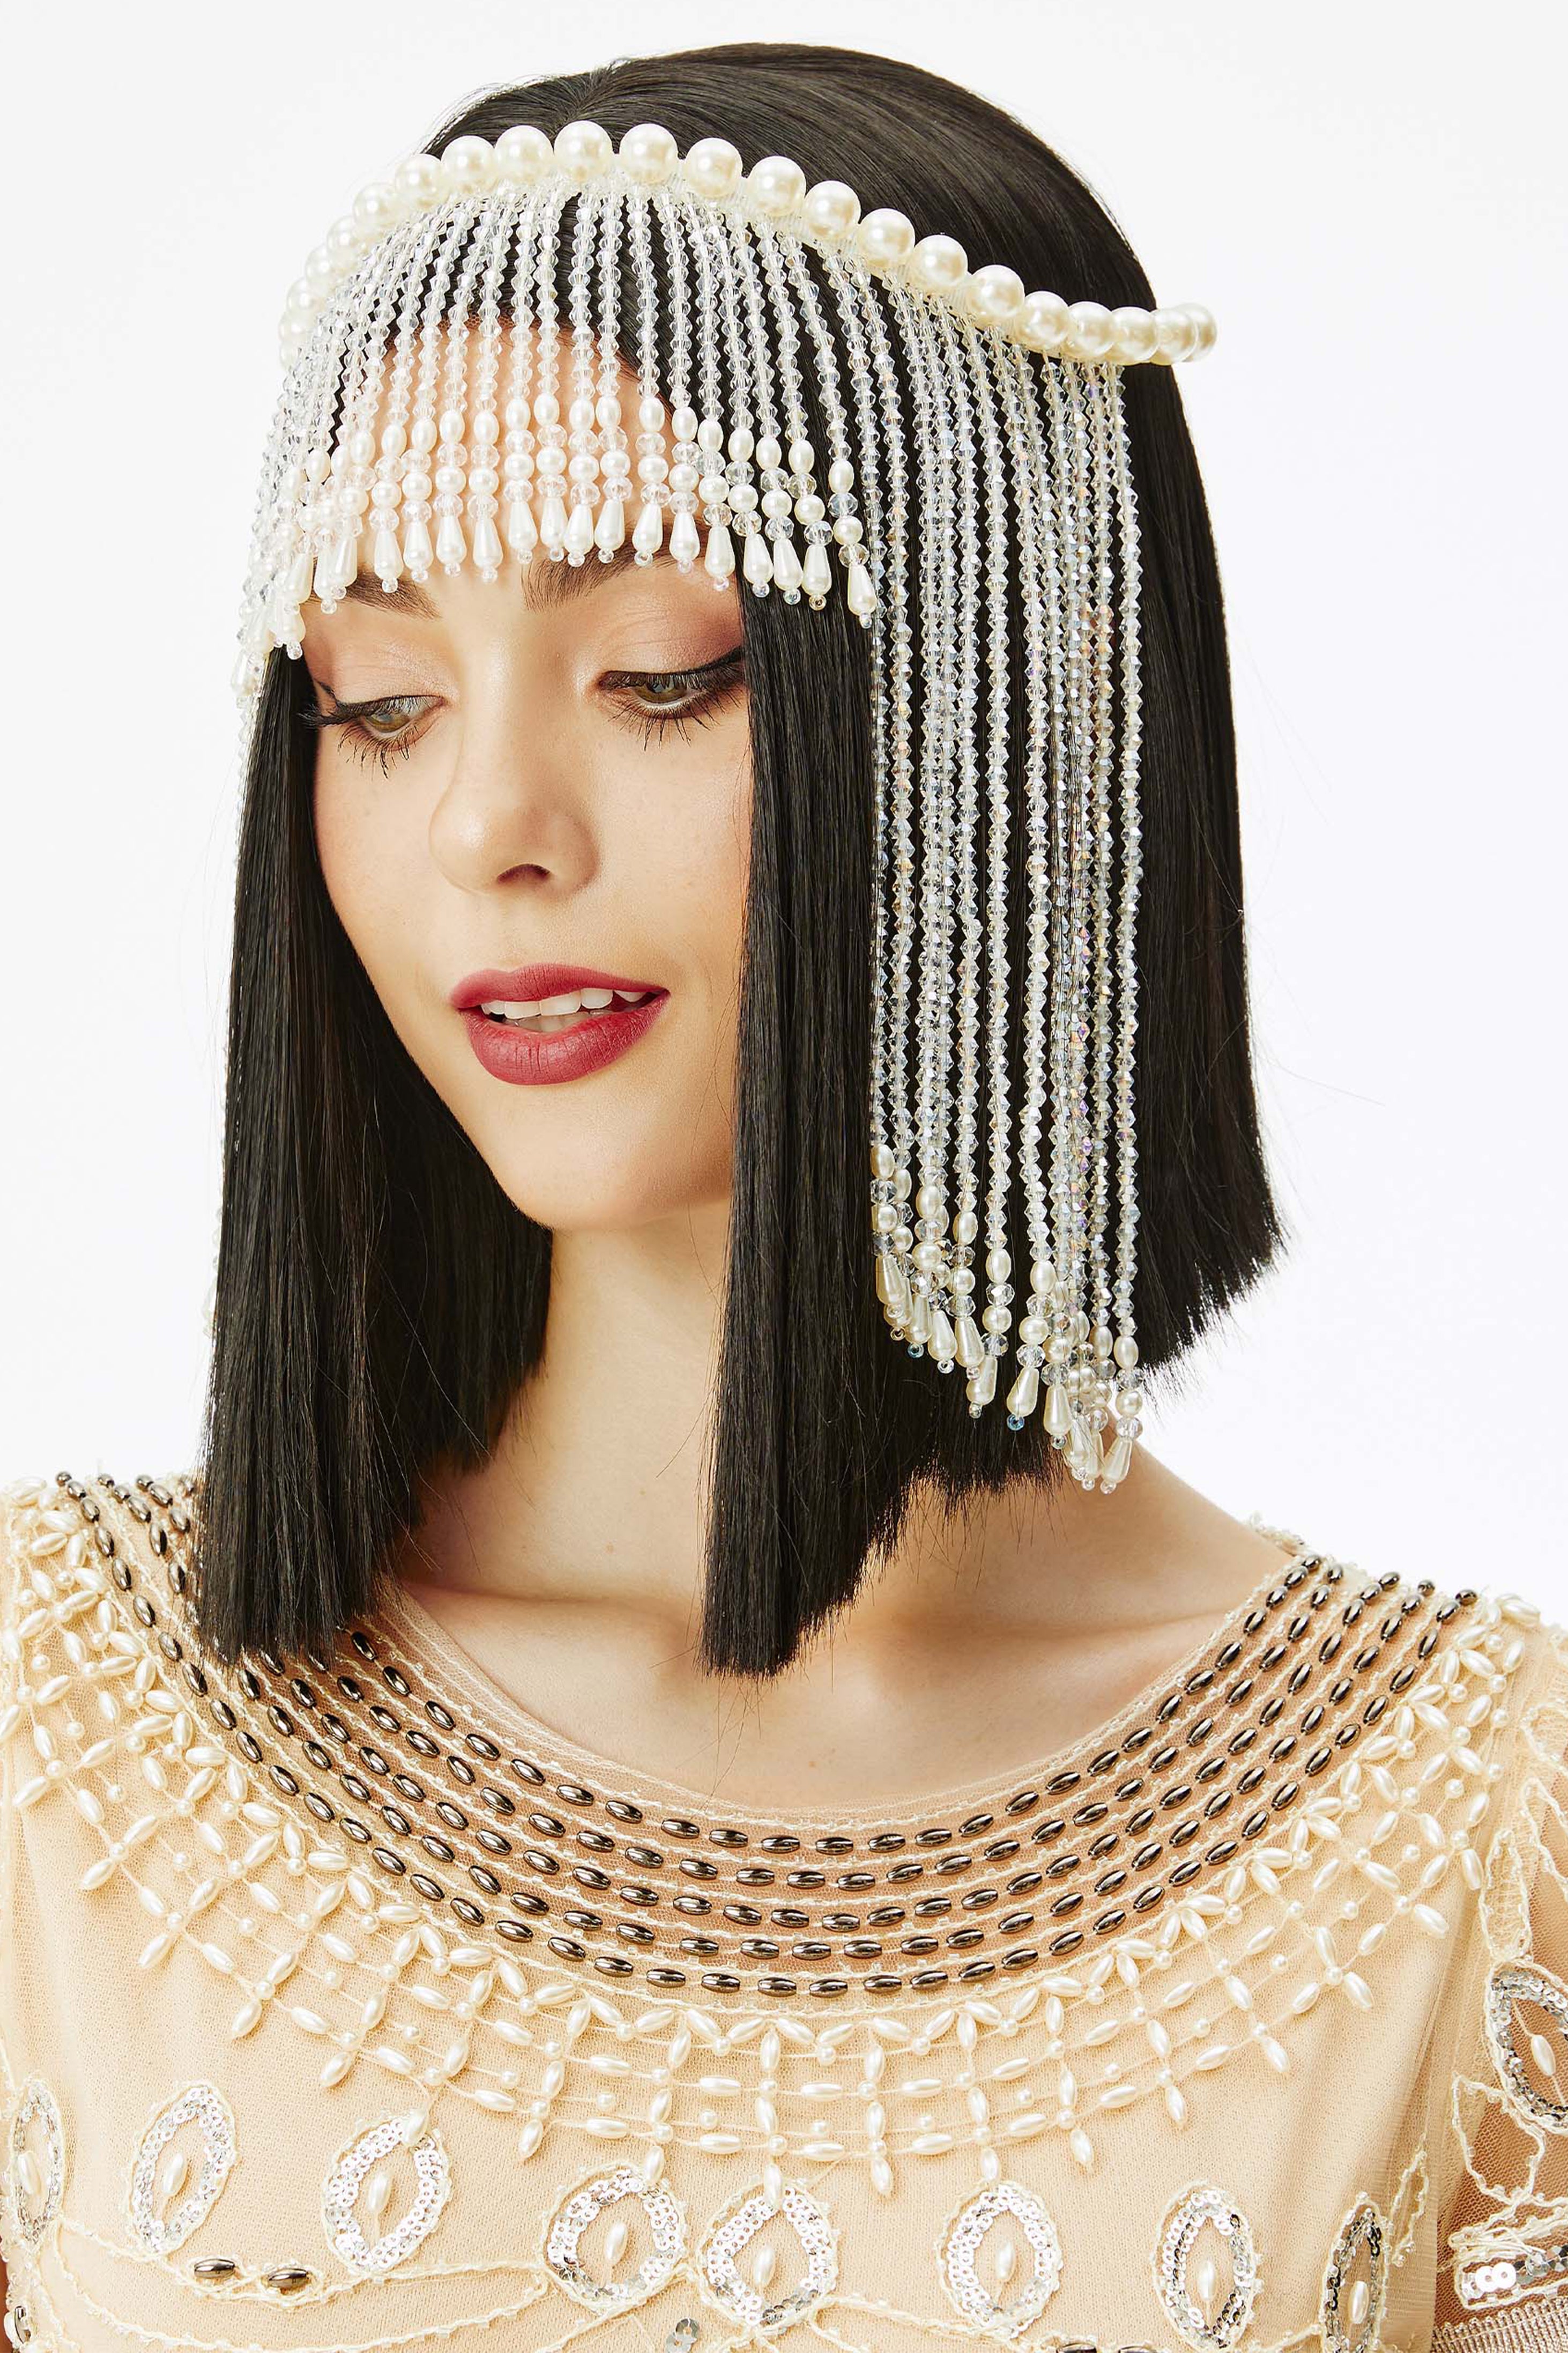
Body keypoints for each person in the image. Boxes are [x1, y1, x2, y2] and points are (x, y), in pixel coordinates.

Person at [2, 40, 1563, 2353]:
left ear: (1013, 711)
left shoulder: (1469, 1838)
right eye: (381, 701)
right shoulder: (55, 1738)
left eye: (663, 674)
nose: (487, 826)